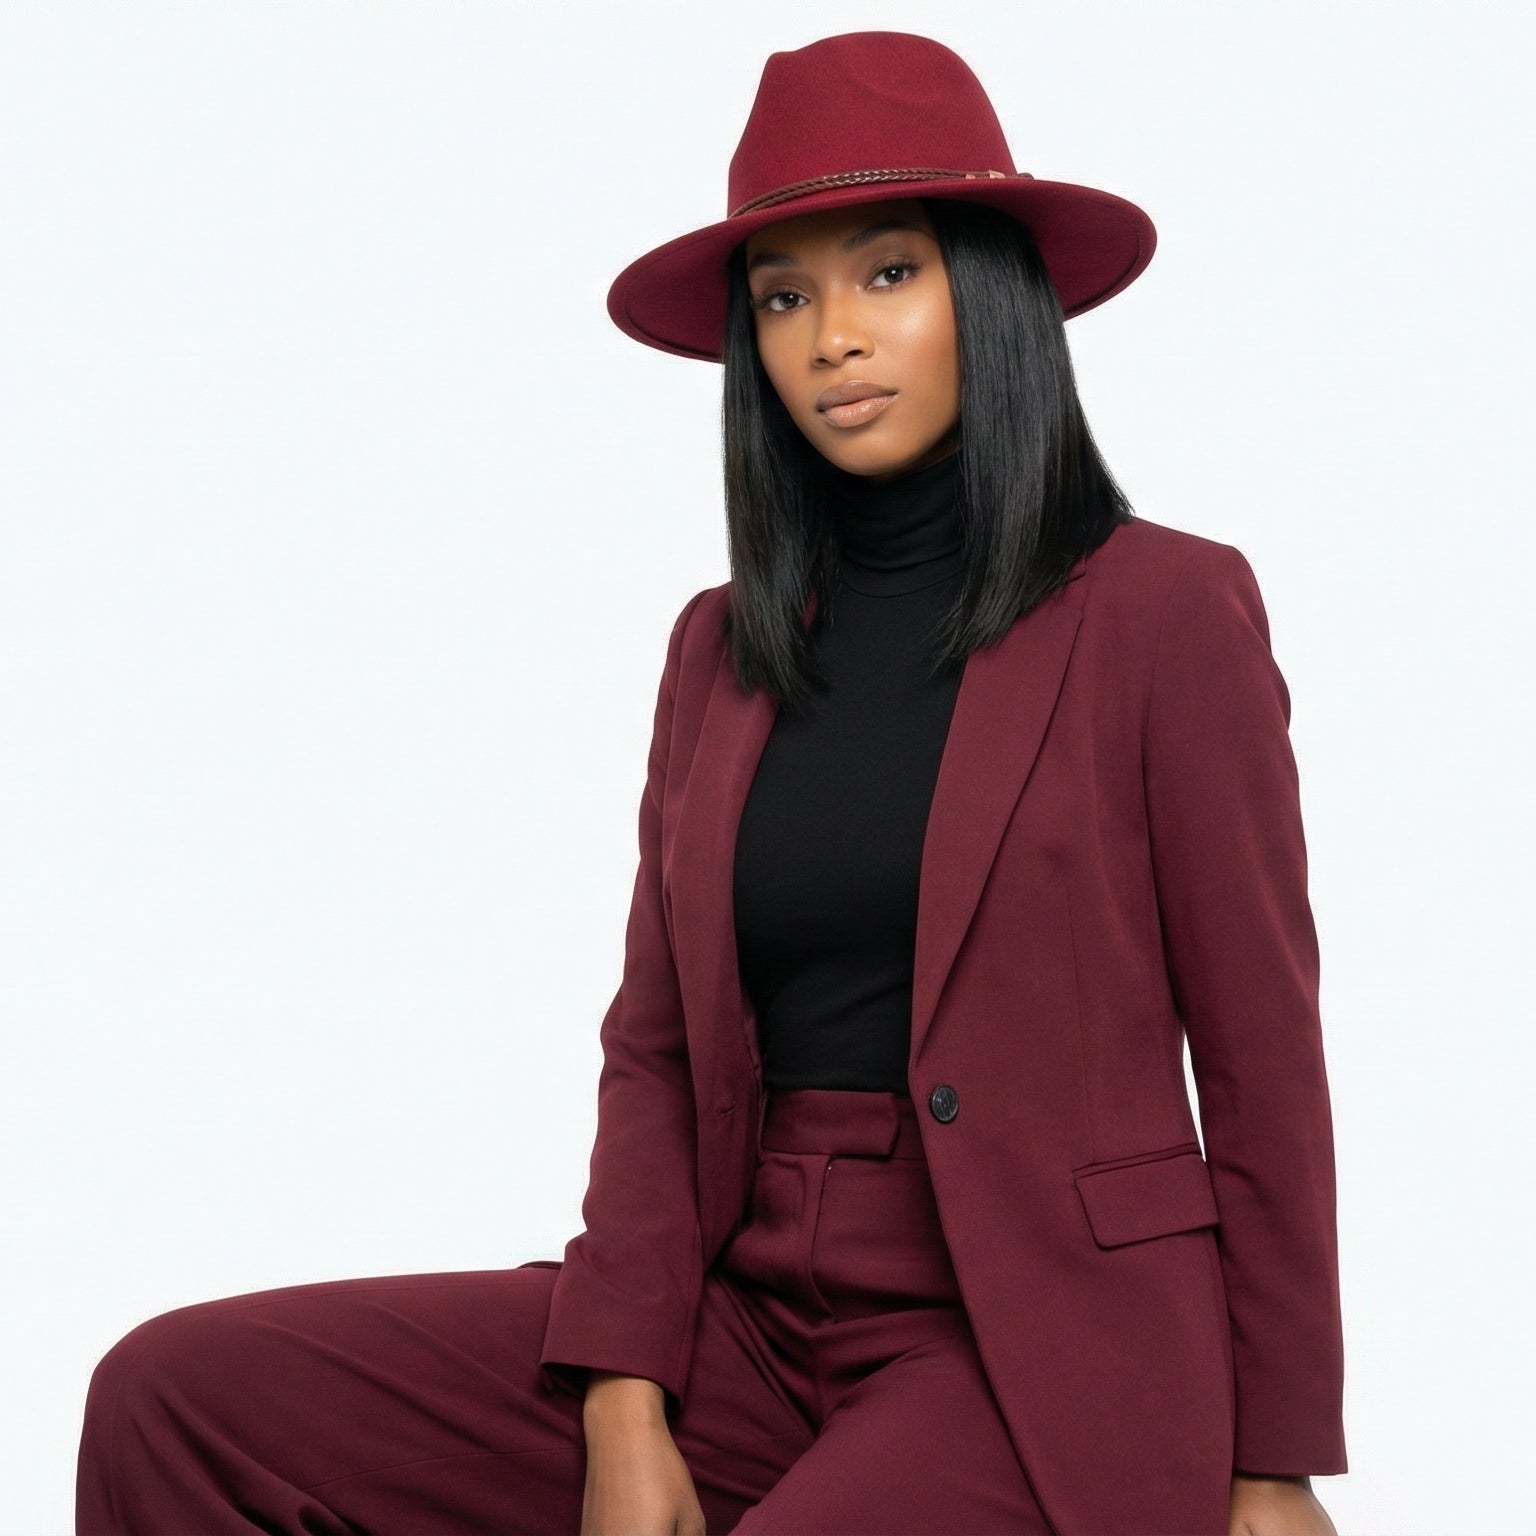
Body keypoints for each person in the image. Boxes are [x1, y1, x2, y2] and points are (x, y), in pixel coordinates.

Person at [74, 29, 1347, 1536]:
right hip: (740, 1317)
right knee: (177, 1398)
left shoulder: (1162, 613)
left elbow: (1265, 1065)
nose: (832, 338)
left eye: (888, 274)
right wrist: (624, 1392)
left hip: (1029, 1345)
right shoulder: (721, 652)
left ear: (991, 292)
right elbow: (658, 1052)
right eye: (786, 297)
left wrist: (1273, 1462)